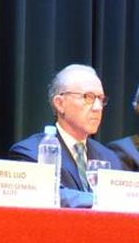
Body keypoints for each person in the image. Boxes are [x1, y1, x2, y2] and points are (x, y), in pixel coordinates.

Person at [7, 64, 119, 208]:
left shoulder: (110, 158)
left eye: (101, 99)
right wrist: (105, 200)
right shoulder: (30, 152)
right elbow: (49, 194)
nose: (98, 107)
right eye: (88, 97)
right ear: (60, 104)